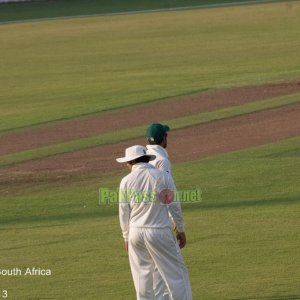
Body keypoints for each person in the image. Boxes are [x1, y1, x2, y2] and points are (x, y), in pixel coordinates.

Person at [117, 145, 192, 300]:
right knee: (177, 276)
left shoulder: (126, 181)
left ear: (131, 162)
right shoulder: (162, 176)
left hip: (136, 233)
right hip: (159, 231)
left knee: (142, 281)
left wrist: (126, 237)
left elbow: (124, 212)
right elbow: (174, 205)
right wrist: (180, 229)